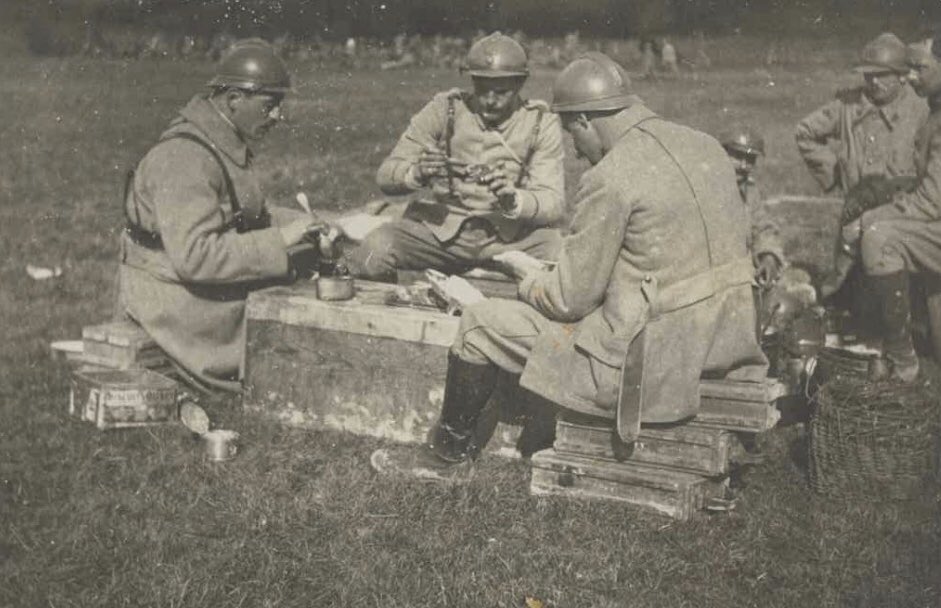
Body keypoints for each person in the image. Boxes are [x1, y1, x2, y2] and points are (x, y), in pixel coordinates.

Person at [371, 53, 768, 481]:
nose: (578, 153)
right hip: (727, 342)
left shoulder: (610, 176)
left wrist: (527, 276)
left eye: (573, 136)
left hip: (651, 361)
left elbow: (568, 300)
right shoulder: (704, 145)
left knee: (480, 323)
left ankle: (446, 459)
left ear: (583, 122)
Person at [116, 38, 321, 394]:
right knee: (302, 330)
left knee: (310, 263)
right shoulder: (184, 158)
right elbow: (195, 258)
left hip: (189, 284)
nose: (278, 116)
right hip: (173, 298)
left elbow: (248, 217)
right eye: (270, 104)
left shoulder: (220, 142)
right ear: (234, 100)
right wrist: (282, 239)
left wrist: (316, 225)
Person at [346, 32, 565, 281]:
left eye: (501, 92)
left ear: (520, 84)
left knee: (560, 253)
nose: (489, 101)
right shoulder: (446, 108)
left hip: (508, 239)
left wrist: (512, 198)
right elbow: (385, 175)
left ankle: (486, 268)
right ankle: (481, 273)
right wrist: (415, 173)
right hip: (442, 236)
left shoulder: (539, 122)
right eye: (481, 89)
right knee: (376, 247)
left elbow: (553, 202)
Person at [838, 32, 941, 383]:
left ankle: (903, 360)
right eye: (908, 68)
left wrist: (868, 219)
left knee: (880, 238)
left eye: (920, 68)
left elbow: (930, 201)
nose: (911, 76)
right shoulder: (935, 109)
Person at [795, 33, 927, 195]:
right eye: (869, 75)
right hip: (855, 210)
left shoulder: (922, 112)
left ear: (902, 76)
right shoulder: (848, 106)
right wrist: (833, 174)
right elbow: (804, 132)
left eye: (881, 75)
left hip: (903, 213)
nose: (874, 82)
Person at [719, 127, 785, 287]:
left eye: (750, 159)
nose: (744, 165)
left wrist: (769, 257)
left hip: (741, 271)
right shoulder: (702, 191)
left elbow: (763, 228)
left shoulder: (750, 191)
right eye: (737, 156)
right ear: (721, 154)